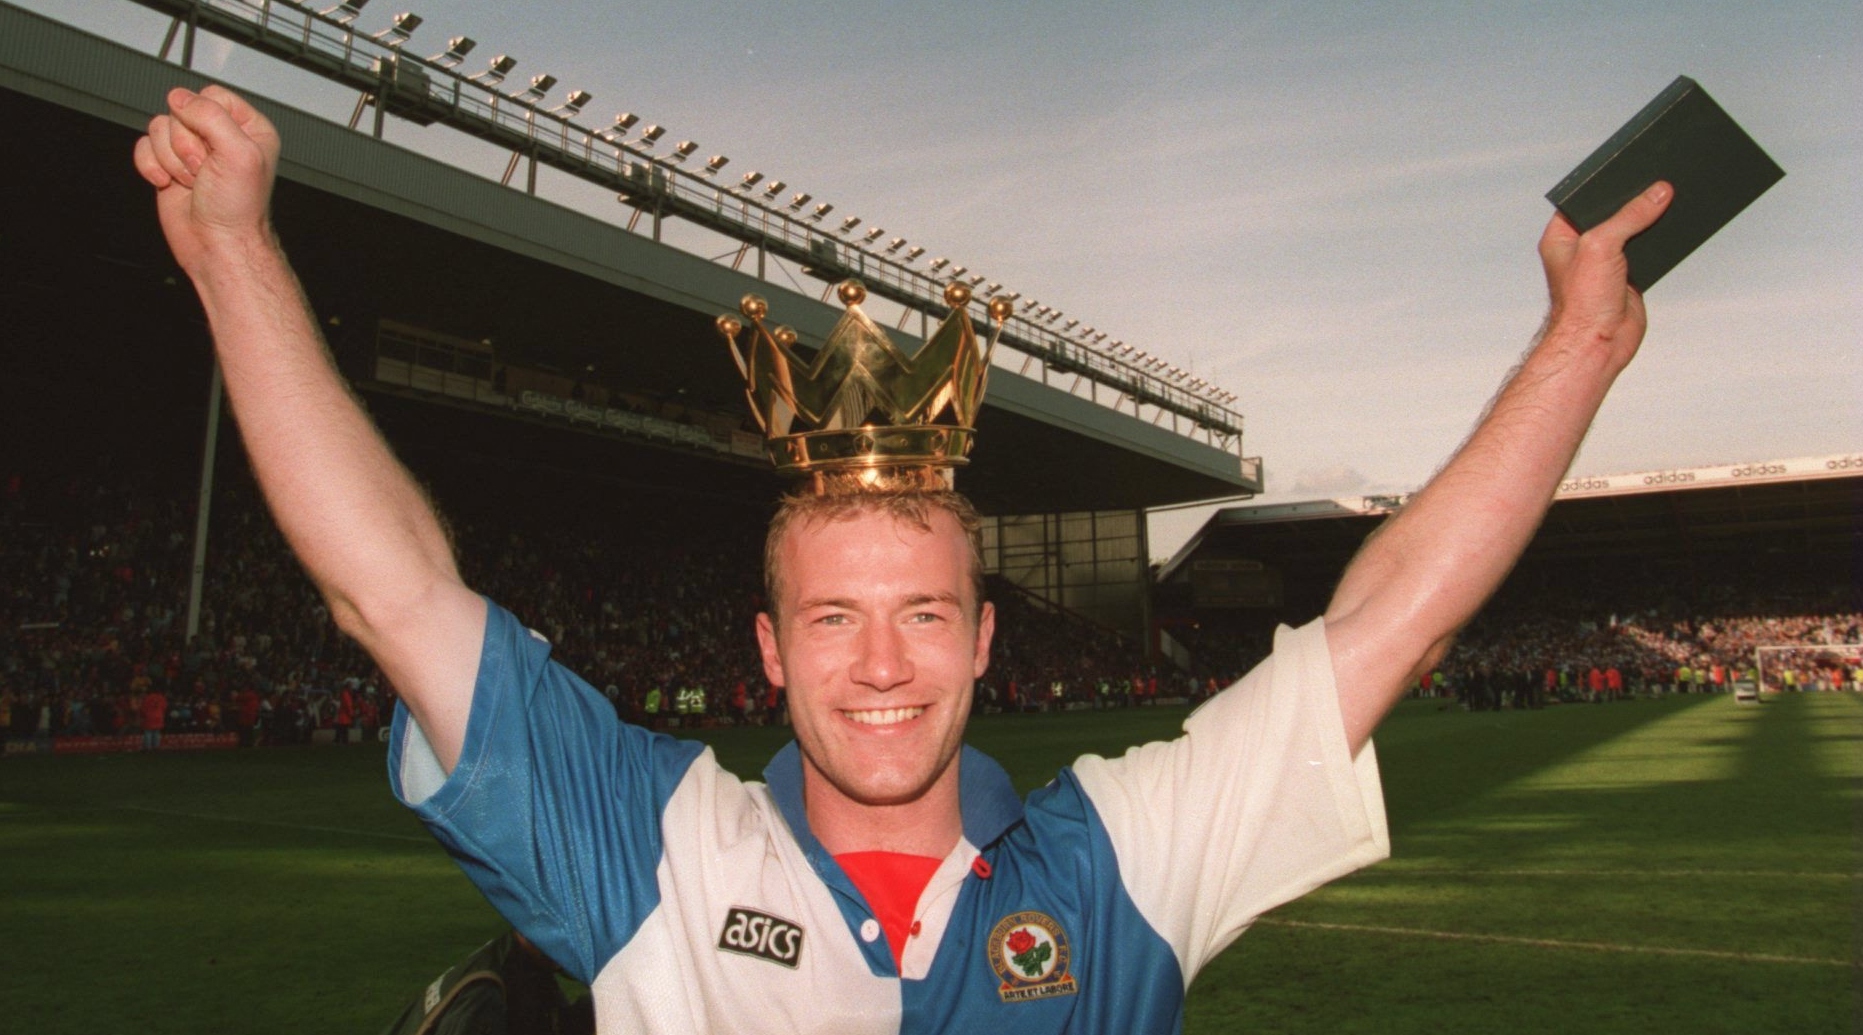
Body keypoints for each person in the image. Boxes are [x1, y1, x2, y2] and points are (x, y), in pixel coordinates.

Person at [134, 84, 1671, 1034]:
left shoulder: (1119, 860)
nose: (882, 666)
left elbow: (1387, 620)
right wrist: (236, 253)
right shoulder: (658, 850)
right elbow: (390, 589)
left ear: (986, 641)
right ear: (769, 650)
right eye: (837, 620)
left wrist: (1580, 347)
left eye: (925, 613)